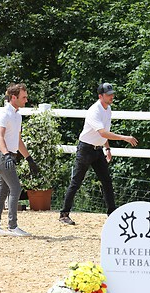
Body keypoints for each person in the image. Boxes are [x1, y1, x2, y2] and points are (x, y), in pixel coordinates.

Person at [59, 83, 138, 225]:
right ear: (100, 96)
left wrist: (107, 148)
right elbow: (102, 132)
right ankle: (64, 214)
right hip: (85, 149)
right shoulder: (94, 111)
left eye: (112, 94)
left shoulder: (108, 109)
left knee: (106, 181)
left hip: (98, 149)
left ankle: (112, 213)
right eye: (108, 95)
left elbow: (104, 133)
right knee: (76, 182)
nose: (112, 97)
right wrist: (124, 137)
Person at [0, 83, 40, 237]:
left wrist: (29, 158)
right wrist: (6, 155)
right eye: (23, 97)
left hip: (8, 156)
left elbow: (18, 141)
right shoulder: (5, 113)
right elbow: (0, 136)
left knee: (3, 190)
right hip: (1, 156)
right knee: (16, 188)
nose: (26, 100)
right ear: (13, 97)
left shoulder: (17, 115)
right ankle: (12, 226)